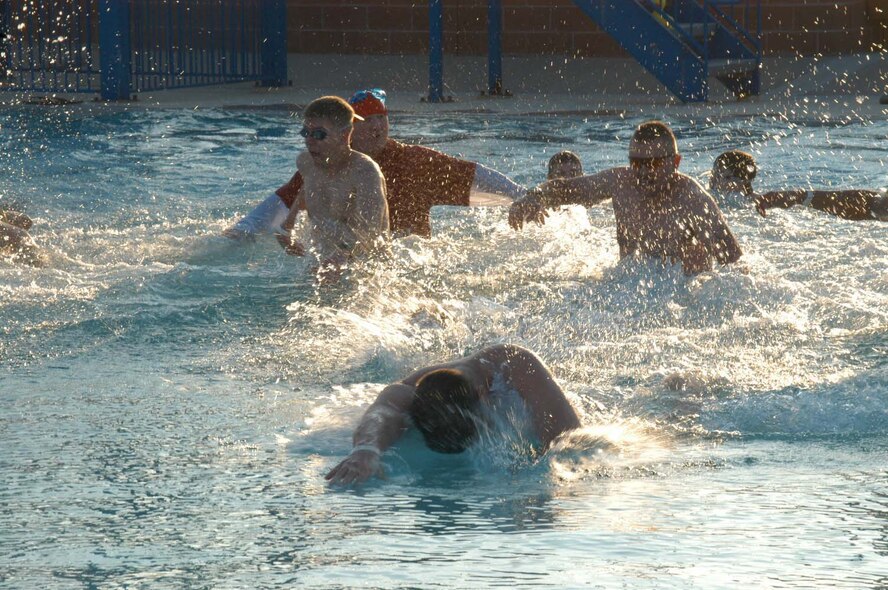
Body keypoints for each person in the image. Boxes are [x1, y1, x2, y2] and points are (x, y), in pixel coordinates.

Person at [226, 88, 525, 240]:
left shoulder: (414, 161)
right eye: (367, 120)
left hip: (410, 263)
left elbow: (472, 174)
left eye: (381, 118)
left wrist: (522, 195)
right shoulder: (323, 165)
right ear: (347, 131)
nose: (377, 126)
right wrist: (239, 233)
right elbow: (278, 205)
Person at [324, 344, 582, 485]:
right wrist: (365, 451)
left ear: (483, 400)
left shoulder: (516, 368)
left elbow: (571, 439)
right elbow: (380, 415)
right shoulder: (405, 393)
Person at [509, 120, 743, 275]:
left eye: (654, 163)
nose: (644, 171)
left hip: (679, 298)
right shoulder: (621, 183)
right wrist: (534, 197)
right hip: (626, 287)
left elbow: (735, 268)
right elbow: (568, 189)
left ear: (676, 162)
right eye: (637, 163)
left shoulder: (695, 202)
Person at [273, 96, 389, 273]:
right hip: (324, 264)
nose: (309, 140)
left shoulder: (365, 172)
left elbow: (370, 228)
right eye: (306, 133)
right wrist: (288, 226)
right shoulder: (306, 163)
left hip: (367, 271)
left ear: (344, 135)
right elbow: (309, 188)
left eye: (319, 134)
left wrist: (339, 257)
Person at [708, 150, 888, 221]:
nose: (712, 181)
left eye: (719, 176)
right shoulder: (769, 199)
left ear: (741, 182)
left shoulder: (749, 202)